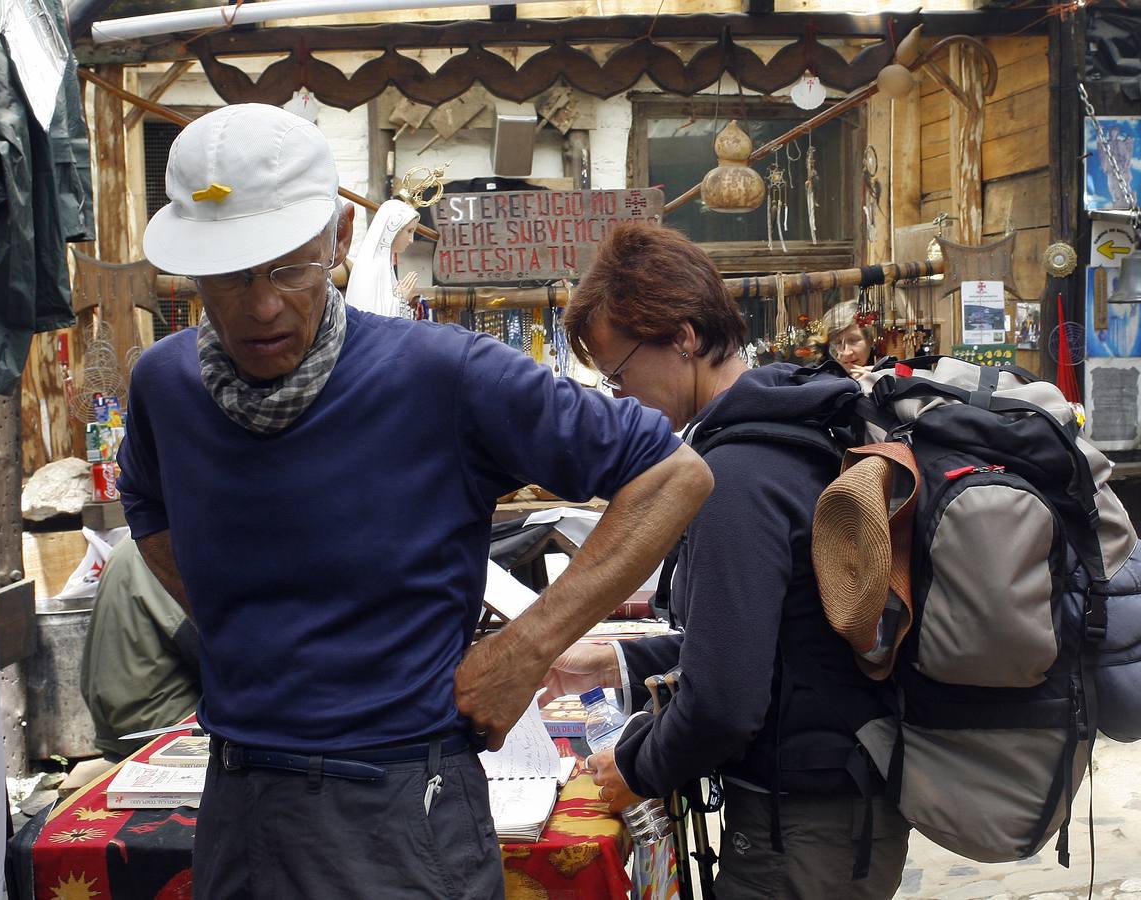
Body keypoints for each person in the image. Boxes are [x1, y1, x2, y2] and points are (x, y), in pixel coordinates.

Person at [116, 103, 712, 899]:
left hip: (401, 805)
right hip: (240, 802)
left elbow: (674, 475)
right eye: (228, 276)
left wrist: (527, 646)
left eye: (286, 268)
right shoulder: (166, 384)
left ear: (331, 240)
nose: (260, 306)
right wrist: (241, 630)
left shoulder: (443, 374)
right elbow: (146, 503)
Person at [545, 221, 908, 898]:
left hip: (799, 822)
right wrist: (617, 660)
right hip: (841, 791)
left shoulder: (734, 476)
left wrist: (638, 766)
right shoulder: (791, 421)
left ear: (682, 337)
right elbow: (764, 638)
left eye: (620, 374)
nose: (621, 398)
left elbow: (722, 703)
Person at [79, 536, 202, 762]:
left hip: (122, 718)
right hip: (157, 725)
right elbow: (209, 647)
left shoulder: (134, 542)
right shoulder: (166, 549)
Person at [824, 299, 878, 379]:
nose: (846, 353)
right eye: (837, 342)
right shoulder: (814, 379)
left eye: (853, 341)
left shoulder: (889, 370)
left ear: (870, 340)